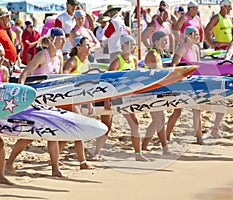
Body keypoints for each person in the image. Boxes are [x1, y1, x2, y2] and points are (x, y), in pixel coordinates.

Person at [5, 28, 66, 177]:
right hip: (37, 100)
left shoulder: (59, 56)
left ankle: (55, 169)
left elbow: (60, 79)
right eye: (61, 39)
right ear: (51, 39)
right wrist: (23, 96)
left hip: (51, 101)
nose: (63, 42)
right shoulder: (42, 56)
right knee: (29, 135)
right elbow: (25, 74)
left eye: (64, 39)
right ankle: (9, 163)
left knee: (53, 134)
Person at [95, 34, 152, 161]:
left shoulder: (134, 61)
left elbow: (136, 79)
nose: (134, 48)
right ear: (124, 46)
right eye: (132, 45)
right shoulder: (117, 61)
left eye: (134, 45)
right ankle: (96, 153)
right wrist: (106, 99)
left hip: (126, 98)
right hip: (113, 97)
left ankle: (138, 154)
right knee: (107, 125)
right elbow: (107, 81)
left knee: (135, 123)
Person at [60, 35, 94, 169]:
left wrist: (89, 102)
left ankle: (54, 157)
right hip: (70, 99)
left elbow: (88, 84)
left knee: (69, 131)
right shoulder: (72, 61)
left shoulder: (87, 62)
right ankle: (82, 162)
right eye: (86, 45)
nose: (89, 47)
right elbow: (63, 77)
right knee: (78, 128)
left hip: (79, 99)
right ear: (78, 47)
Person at [166, 26, 203, 144]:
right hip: (182, 83)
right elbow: (174, 64)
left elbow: (198, 65)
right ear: (189, 35)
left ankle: (199, 137)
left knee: (197, 110)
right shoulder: (182, 47)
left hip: (194, 82)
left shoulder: (196, 48)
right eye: (196, 34)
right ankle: (166, 136)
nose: (198, 37)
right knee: (177, 111)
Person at [141, 31, 172, 155]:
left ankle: (144, 145)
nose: (166, 43)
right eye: (163, 41)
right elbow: (155, 74)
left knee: (157, 120)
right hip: (151, 91)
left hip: (155, 89)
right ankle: (165, 148)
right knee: (159, 119)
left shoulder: (158, 54)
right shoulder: (152, 54)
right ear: (155, 42)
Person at [0, 43, 13, 185]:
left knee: (0, 144)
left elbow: (8, 93)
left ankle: (1, 175)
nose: (1, 58)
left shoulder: (3, 71)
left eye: (2, 56)